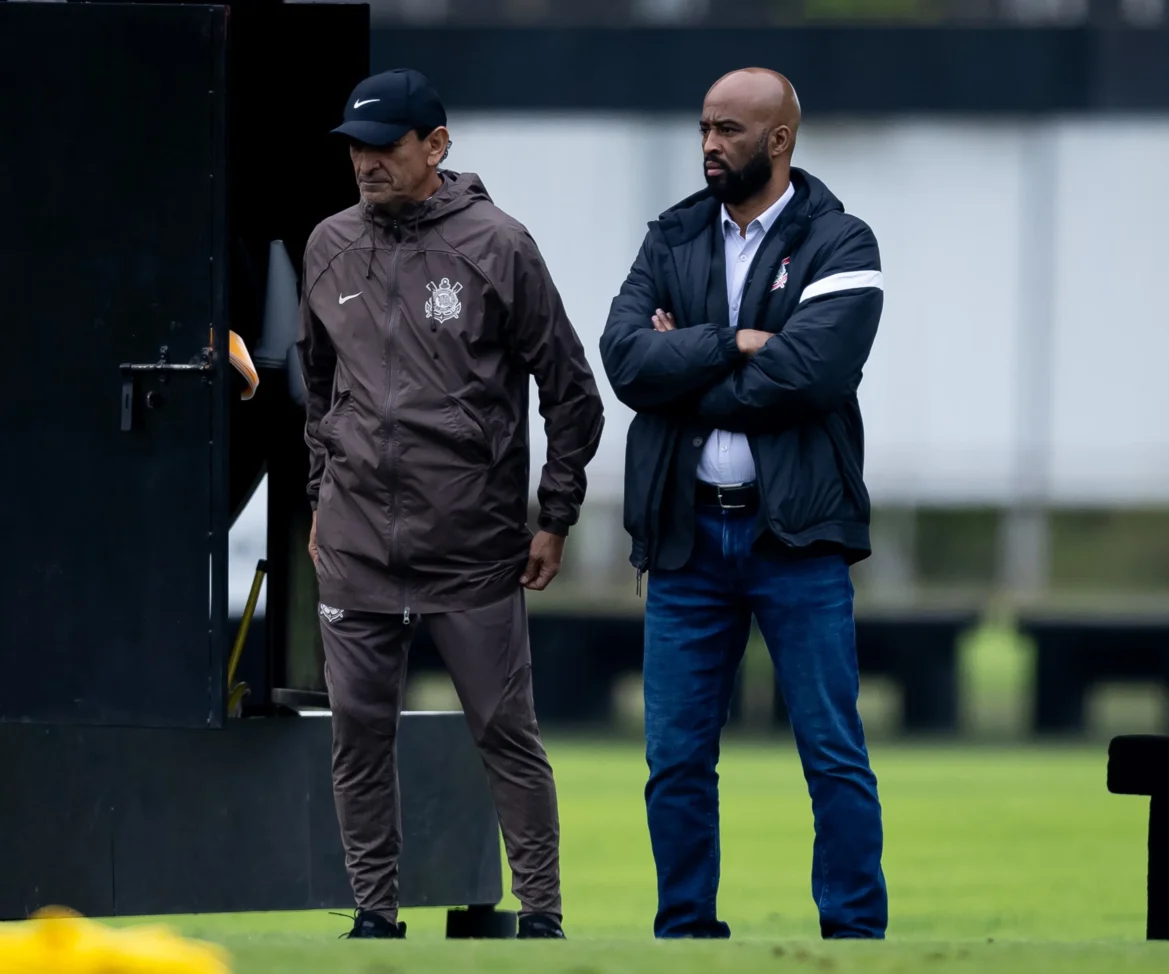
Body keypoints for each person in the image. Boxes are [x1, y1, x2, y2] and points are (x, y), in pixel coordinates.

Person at [298, 67, 604, 941]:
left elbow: (573, 392)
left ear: (435, 146)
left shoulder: (499, 244)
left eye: (384, 146)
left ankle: (541, 913)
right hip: (356, 542)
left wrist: (554, 515)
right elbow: (319, 390)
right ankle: (374, 915)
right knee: (358, 736)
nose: (365, 163)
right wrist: (323, 491)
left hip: (472, 543)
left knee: (505, 732)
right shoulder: (327, 245)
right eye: (355, 147)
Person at [598, 67, 887, 940]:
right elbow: (622, 361)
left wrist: (686, 370)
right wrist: (734, 343)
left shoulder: (842, 241)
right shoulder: (672, 236)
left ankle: (855, 932)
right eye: (704, 128)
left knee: (832, 752)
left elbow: (810, 376)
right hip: (686, 540)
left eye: (728, 129)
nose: (710, 145)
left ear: (780, 139)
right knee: (674, 759)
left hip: (795, 538)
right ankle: (684, 932)